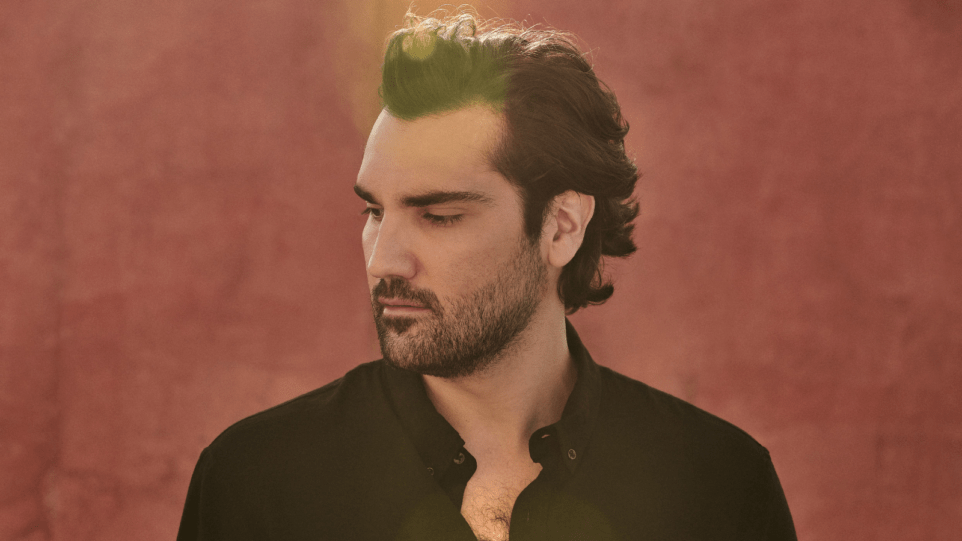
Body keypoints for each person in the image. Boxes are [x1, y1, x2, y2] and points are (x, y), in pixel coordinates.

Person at [177, 11, 797, 541]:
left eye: (440, 216)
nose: (383, 259)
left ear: (560, 227)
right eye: (374, 211)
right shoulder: (257, 481)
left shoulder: (716, 486)